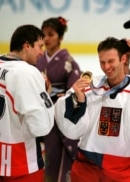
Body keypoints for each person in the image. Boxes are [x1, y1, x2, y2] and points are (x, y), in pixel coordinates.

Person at [54, 37, 130, 182]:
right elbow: (72, 130)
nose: (106, 67)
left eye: (110, 61)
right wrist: (77, 100)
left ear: (123, 59)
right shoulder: (87, 88)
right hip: (87, 167)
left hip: (126, 171)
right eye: (102, 62)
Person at [0, 25, 54, 181]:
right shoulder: (27, 72)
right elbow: (41, 126)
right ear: (26, 45)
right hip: (21, 163)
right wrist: (45, 97)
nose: (42, 52)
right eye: (39, 46)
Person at [35, 16, 81, 182]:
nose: (46, 39)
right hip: (38, 114)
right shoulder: (37, 59)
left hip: (56, 117)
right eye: (43, 35)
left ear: (60, 37)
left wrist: (63, 98)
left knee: (55, 156)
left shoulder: (68, 63)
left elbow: (74, 92)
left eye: (50, 34)